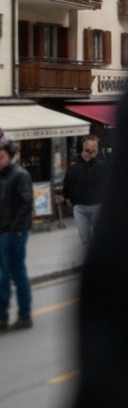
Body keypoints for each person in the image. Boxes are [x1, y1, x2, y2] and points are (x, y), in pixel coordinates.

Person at [0, 136, 33, 332]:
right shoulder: (3, 176)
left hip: (14, 233)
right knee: (4, 275)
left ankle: (24, 315)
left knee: (16, 274)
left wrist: (14, 228)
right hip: (3, 231)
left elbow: (25, 204)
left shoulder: (19, 175)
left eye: (1, 156)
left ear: (10, 156)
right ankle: (3, 316)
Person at [62, 135, 108, 245]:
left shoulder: (103, 166)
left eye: (93, 151)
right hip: (80, 206)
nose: (90, 154)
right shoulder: (75, 168)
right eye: (88, 151)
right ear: (82, 149)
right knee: (85, 237)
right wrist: (68, 198)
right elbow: (68, 184)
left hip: (97, 205)